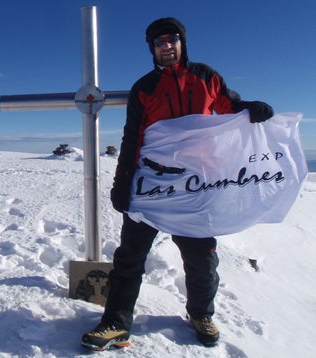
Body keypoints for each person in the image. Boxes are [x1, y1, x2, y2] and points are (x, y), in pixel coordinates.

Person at [81, 17, 273, 350]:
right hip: (152, 184)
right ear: (151, 49)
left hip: (194, 187)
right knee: (130, 258)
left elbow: (229, 106)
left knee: (201, 258)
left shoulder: (206, 76)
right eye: (158, 43)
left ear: (182, 42)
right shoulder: (144, 88)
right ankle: (115, 322)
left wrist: (248, 108)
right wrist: (123, 180)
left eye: (171, 40)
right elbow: (132, 137)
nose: (166, 46)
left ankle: (201, 314)